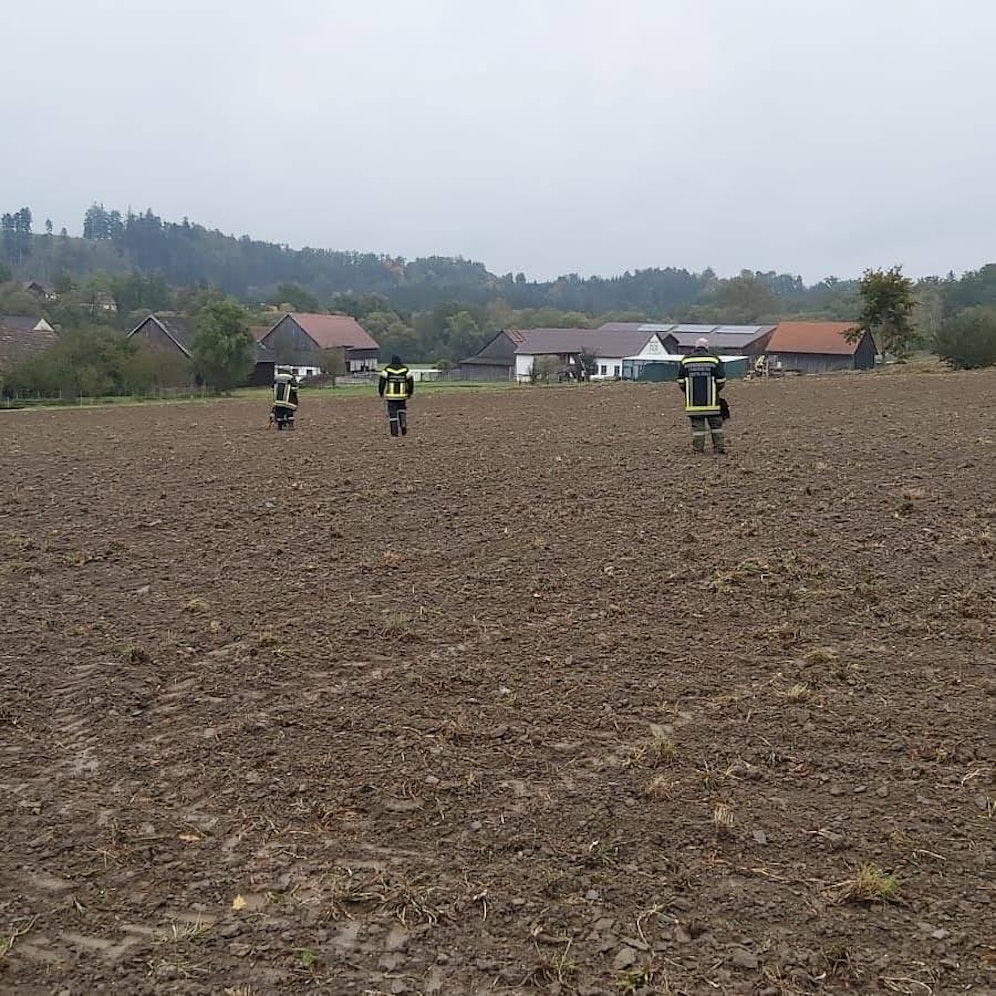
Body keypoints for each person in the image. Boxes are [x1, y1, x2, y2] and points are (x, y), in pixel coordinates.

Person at [677, 337, 726, 454]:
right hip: (712, 402)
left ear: (695, 347)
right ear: (707, 347)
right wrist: (716, 391)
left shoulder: (685, 361)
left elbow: (680, 381)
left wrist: (687, 391)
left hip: (693, 403)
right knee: (716, 427)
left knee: (698, 428)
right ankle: (718, 448)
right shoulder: (714, 360)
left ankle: (698, 449)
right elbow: (721, 380)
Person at [378, 355, 415, 437]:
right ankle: (403, 425)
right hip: (402, 396)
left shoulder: (387, 369)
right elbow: (411, 382)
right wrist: (410, 392)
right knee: (402, 411)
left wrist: (381, 392)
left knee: (393, 415)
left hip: (391, 397)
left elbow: (382, 382)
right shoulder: (405, 369)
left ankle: (394, 433)